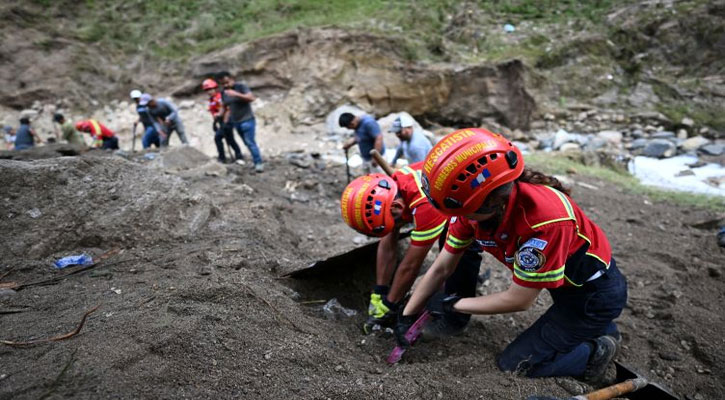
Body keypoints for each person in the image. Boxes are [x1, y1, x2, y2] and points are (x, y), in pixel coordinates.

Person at [395, 128, 627, 382]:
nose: (462, 218)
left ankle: (597, 351)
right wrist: (408, 314)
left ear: (493, 201)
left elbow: (519, 300)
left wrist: (452, 304)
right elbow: (441, 268)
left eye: (467, 212)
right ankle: (598, 329)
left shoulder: (544, 223)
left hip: (592, 296)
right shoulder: (471, 211)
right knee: (559, 325)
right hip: (567, 285)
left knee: (516, 365)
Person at [340, 164, 482, 334]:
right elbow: (387, 246)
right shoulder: (390, 189)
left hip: (477, 201)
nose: (395, 228)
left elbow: (411, 266)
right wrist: (380, 290)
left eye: (395, 223)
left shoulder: (425, 207)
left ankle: (455, 319)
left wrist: (390, 304)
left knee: (459, 249)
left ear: (398, 208)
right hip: (444, 194)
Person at [219, 71, 264, 172]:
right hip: (236, 121)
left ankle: (258, 163)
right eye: (223, 84)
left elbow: (251, 98)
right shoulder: (224, 92)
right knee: (246, 143)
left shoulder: (241, 87)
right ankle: (255, 159)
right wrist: (220, 115)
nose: (226, 85)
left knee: (250, 142)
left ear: (232, 79)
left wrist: (236, 94)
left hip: (247, 119)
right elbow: (224, 105)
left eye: (227, 82)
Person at [203, 78, 242, 163]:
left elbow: (227, 109)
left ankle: (222, 157)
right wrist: (215, 122)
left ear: (215, 88)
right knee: (230, 139)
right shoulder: (211, 100)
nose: (209, 91)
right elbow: (213, 111)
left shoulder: (220, 97)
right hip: (221, 121)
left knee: (218, 138)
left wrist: (225, 121)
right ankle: (238, 155)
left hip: (228, 120)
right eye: (207, 90)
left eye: (210, 89)